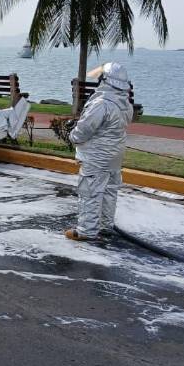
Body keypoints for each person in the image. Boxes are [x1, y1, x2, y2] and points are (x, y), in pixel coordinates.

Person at [65, 62, 134, 241]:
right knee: (110, 191)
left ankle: (86, 230)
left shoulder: (102, 103)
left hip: (97, 157)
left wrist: (73, 135)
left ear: (106, 81)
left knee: (90, 191)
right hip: (114, 156)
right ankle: (105, 226)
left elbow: (85, 129)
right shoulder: (125, 104)